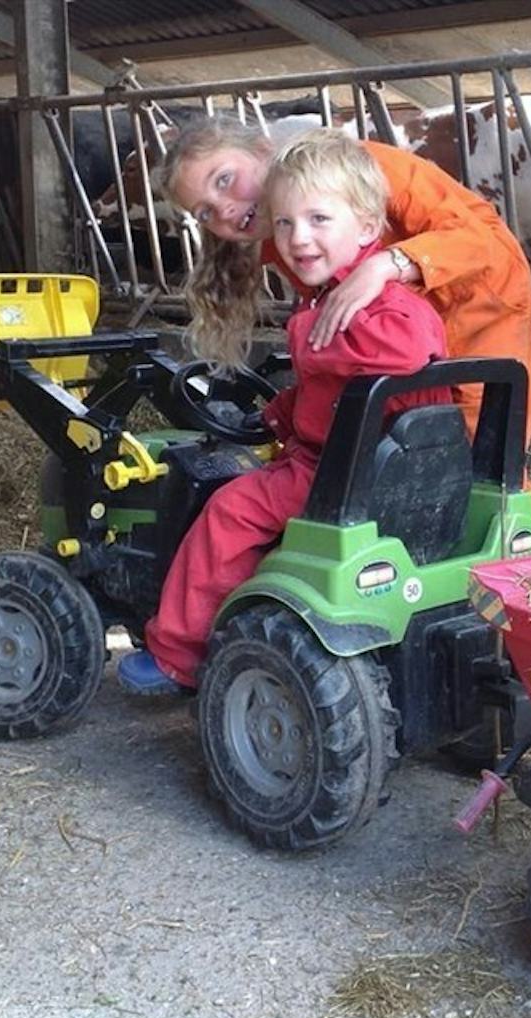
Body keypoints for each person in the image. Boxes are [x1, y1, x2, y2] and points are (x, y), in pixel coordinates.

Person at [118, 133, 452, 695]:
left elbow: (407, 350)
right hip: (358, 457)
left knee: (229, 510)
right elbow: (339, 386)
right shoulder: (335, 296)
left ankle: (177, 653)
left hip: (342, 472)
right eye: (286, 226)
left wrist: (306, 340)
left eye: (320, 219)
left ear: (369, 229)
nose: (300, 239)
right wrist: (280, 411)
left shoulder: (385, 303)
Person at [156, 116, 531, 482]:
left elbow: (480, 243)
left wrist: (385, 265)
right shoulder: (285, 234)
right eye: (204, 212)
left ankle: (522, 542)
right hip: (400, 332)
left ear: (262, 149)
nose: (224, 208)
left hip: (478, 302)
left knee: (485, 451)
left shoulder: (358, 168)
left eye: (225, 179)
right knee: (410, 442)